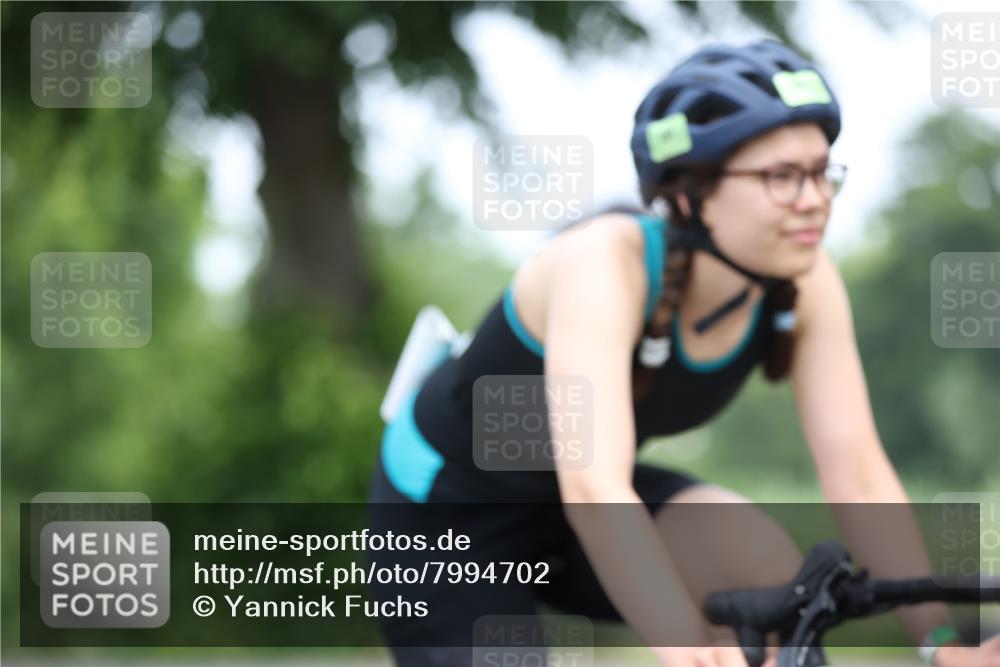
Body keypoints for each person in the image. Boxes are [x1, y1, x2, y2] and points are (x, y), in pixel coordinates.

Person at [366, 40, 994, 667]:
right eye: (781, 176)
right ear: (692, 192)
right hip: (445, 518)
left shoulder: (806, 280)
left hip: (569, 507)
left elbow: (856, 469)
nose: (815, 199)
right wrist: (687, 645)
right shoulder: (603, 264)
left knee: (770, 571)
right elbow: (595, 488)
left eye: (822, 171)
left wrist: (938, 646)